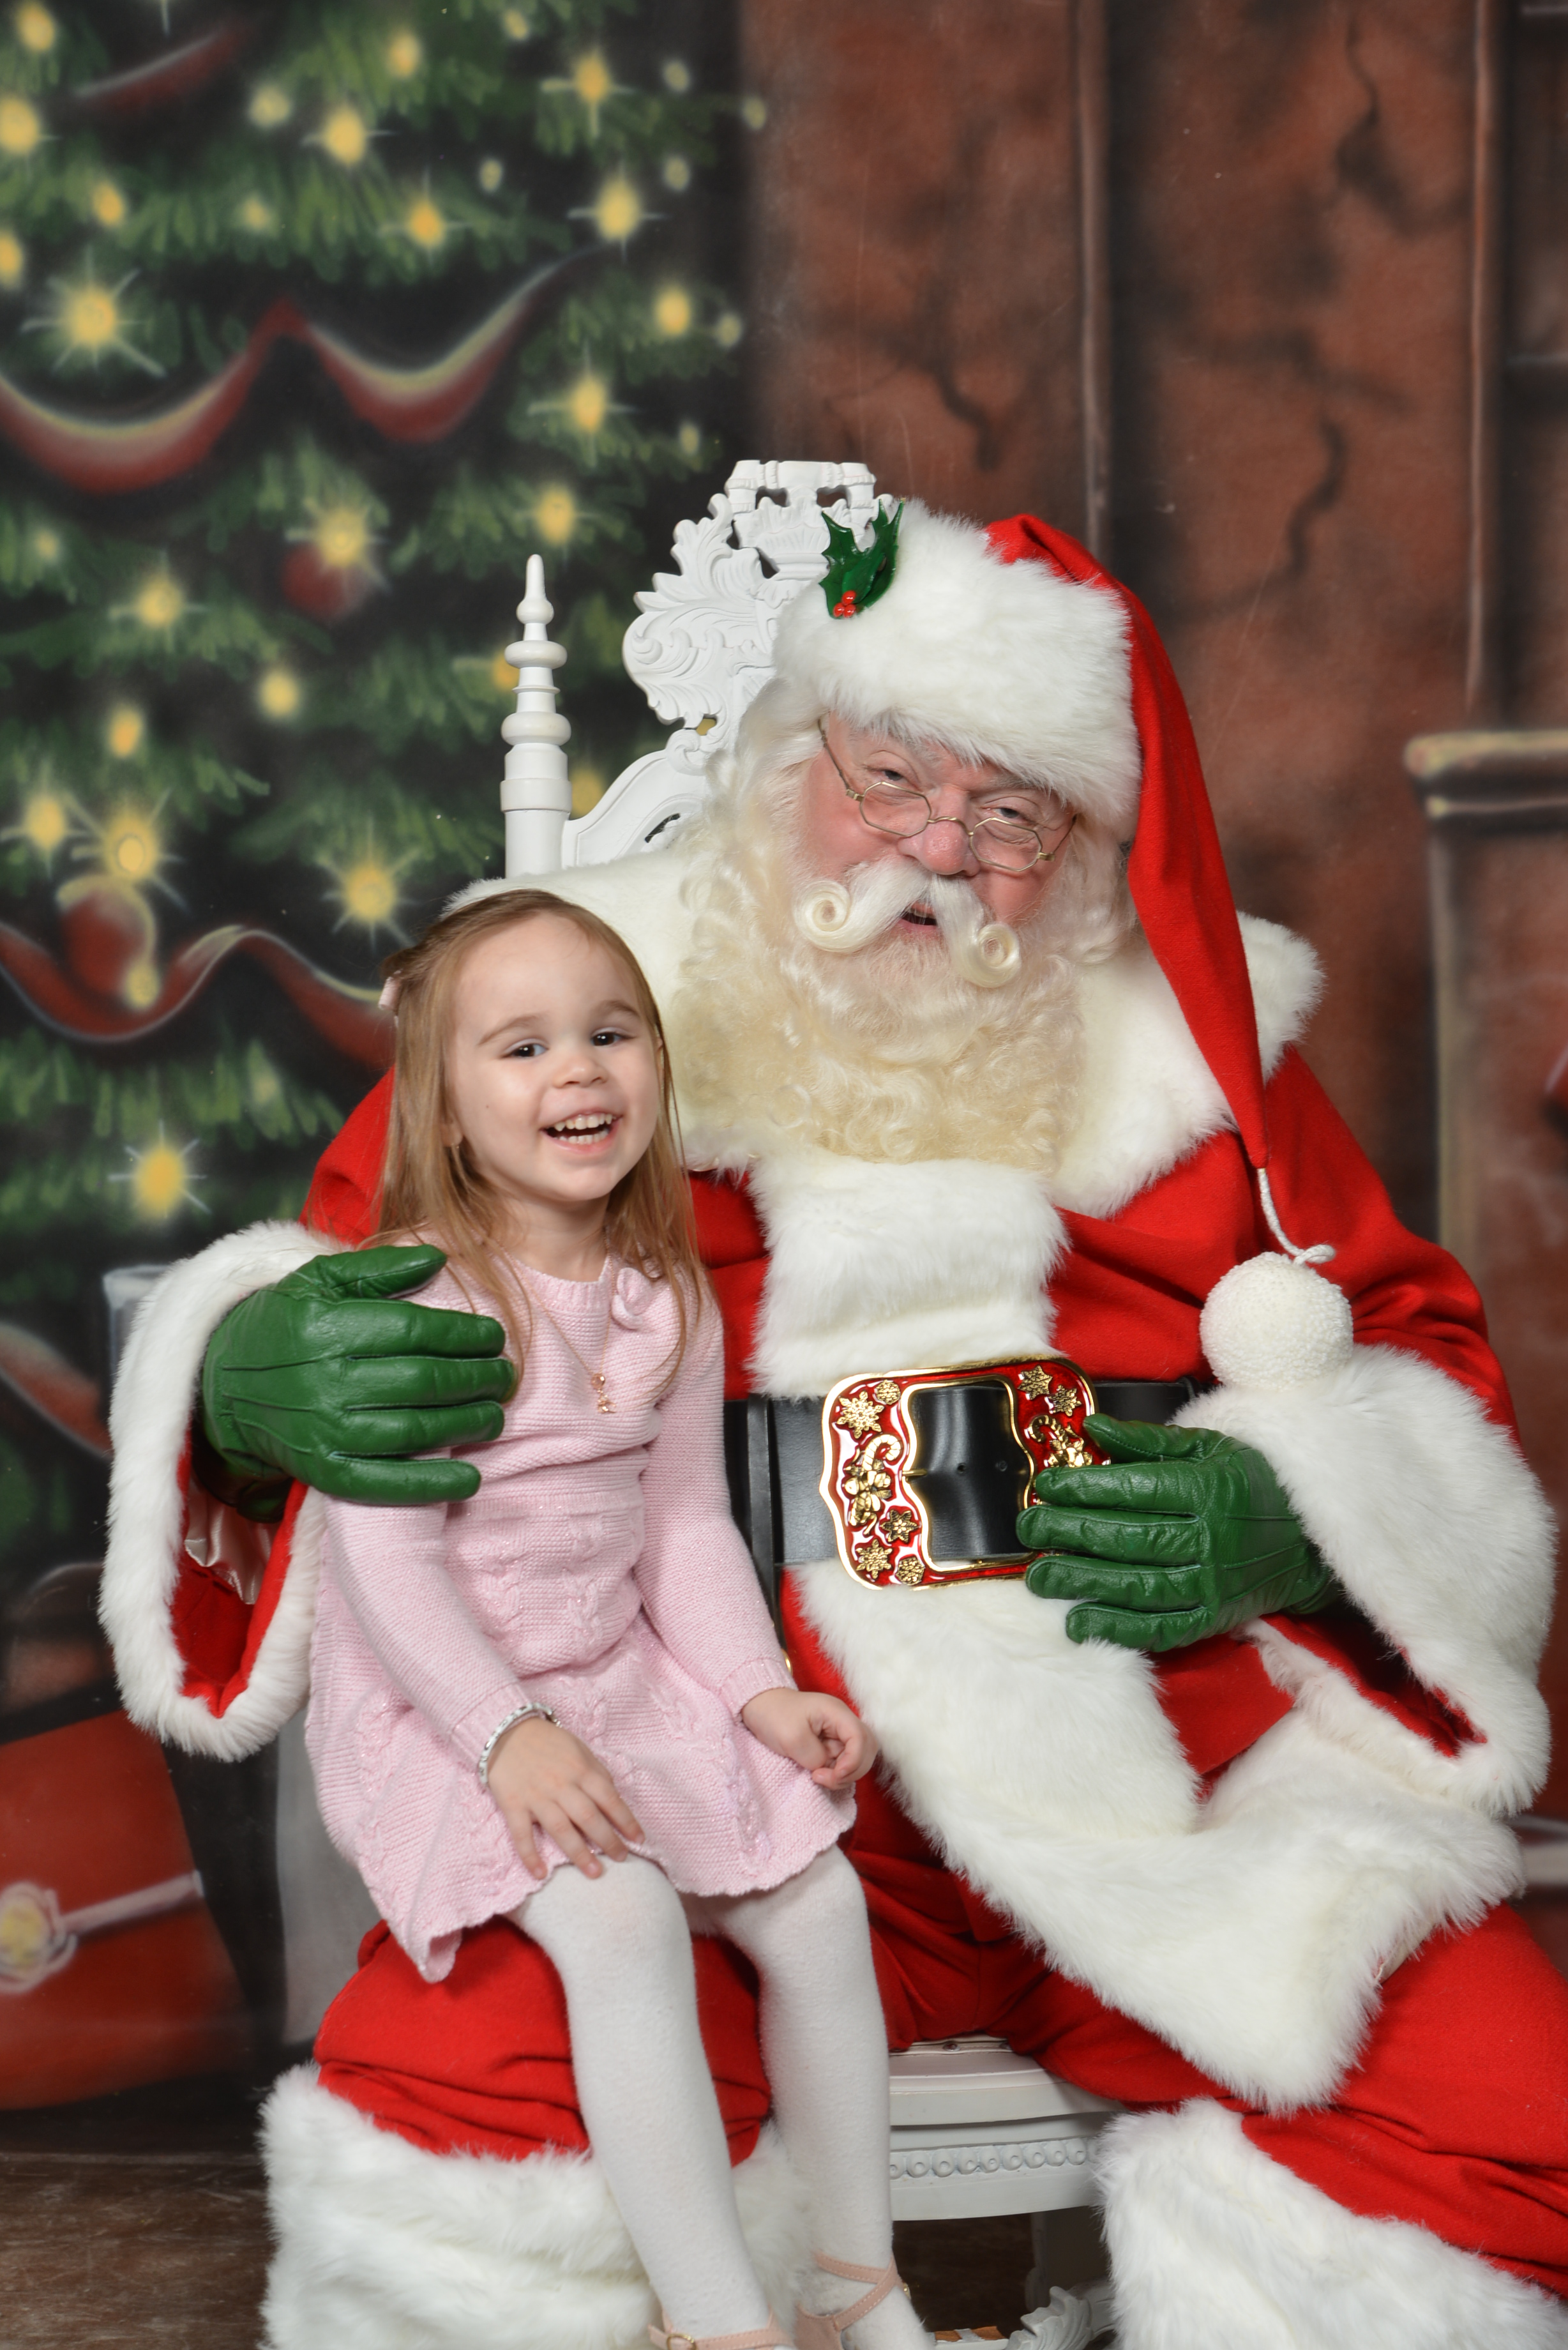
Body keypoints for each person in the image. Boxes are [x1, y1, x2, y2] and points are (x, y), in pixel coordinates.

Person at [103, 499, 1568, 2350]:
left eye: (1012, 815)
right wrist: (245, 1387)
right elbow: (344, 1281)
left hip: (1171, 1770)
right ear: (792, 762)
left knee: (1498, 2106)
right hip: (709, 1739)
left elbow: (1416, 1350)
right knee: (487, 2115)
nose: (937, 852)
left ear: (1085, 854)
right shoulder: (582, 1022)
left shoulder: (1200, 1068)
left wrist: (1295, 1512)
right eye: (890, 780)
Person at [305, 885, 923, 2350]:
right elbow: (384, 1564)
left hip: (613, 1670)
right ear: (445, 1110)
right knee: (623, 1914)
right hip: (441, 1703)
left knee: (820, 1905)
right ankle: (716, 2324)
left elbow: (684, 1525)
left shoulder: (664, 1299)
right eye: (521, 1047)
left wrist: (758, 1692)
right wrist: (505, 1733)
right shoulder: (420, 1304)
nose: (577, 1069)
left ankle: (851, 2282)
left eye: (609, 1032)